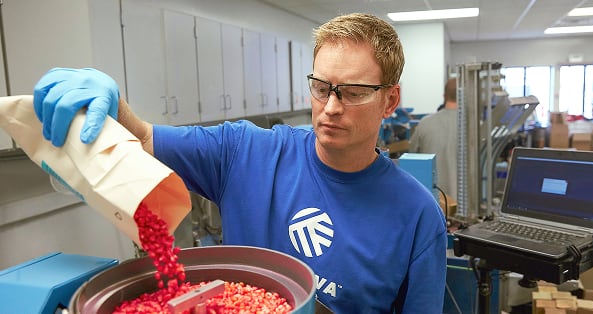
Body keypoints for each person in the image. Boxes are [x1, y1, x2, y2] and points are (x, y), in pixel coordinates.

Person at [33, 13, 447, 313]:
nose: (331, 107)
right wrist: (106, 107)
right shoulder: (244, 151)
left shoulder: (416, 215)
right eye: (322, 88)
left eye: (353, 92)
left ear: (390, 100)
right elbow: (141, 137)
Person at [409, 78, 459, 202]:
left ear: (444, 96)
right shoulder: (475, 127)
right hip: (467, 206)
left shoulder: (425, 123)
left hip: (433, 203)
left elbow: (410, 160)